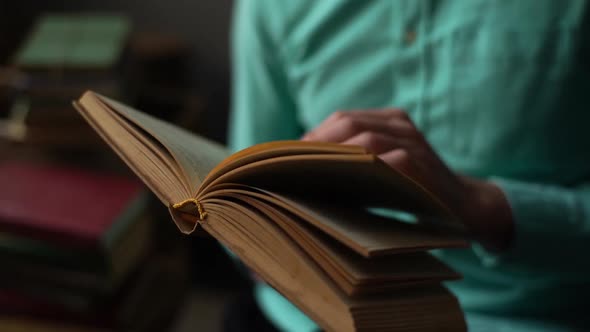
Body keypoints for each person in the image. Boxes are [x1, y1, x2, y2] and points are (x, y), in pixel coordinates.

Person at [227, 1, 590, 331]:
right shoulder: (270, 7)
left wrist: (480, 205)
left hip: (523, 318)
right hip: (302, 315)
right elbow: (241, 193)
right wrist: (265, 244)